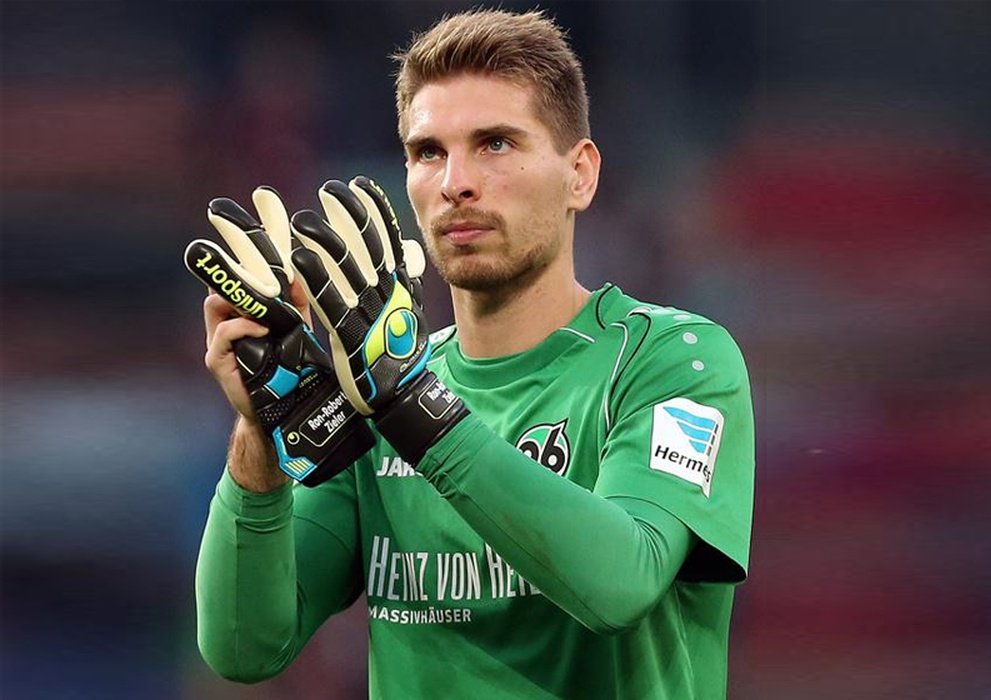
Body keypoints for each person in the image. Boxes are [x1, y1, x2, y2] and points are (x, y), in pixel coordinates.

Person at [195, 8, 754, 699]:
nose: (456, 182)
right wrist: (259, 437)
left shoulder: (671, 362)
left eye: (495, 143)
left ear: (580, 175)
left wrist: (409, 404)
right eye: (429, 152)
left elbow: (620, 583)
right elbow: (245, 646)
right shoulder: (376, 392)